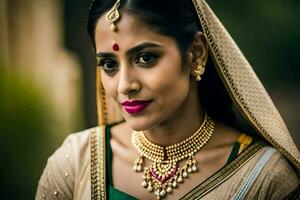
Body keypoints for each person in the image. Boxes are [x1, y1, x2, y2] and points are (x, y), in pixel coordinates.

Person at [35, 0, 300, 199]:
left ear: (195, 53)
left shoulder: (266, 179)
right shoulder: (76, 160)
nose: (125, 85)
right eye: (108, 64)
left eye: (146, 58)